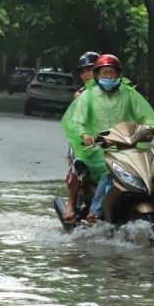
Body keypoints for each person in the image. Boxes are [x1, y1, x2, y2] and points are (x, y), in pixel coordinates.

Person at [61, 53, 154, 222]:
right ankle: (93, 210)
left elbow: (143, 116)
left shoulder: (128, 94)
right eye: (105, 73)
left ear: (119, 74)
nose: (109, 76)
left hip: (125, 147)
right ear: (97, 75)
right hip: (97, 149)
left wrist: (153, 127)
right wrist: (85, 135)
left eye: (113, 73)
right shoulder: (88, 95)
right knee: (110, 171)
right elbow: (78, 122)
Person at [61, 51, 100, 223]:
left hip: (111, 140)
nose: (86, 74)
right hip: (86, 142)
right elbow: (76, 121)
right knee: (79, 164)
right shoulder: (81, 94)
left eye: (89, 70)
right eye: (82, 71)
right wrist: (84, 135)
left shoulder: (114, 91)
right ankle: (70, 205)